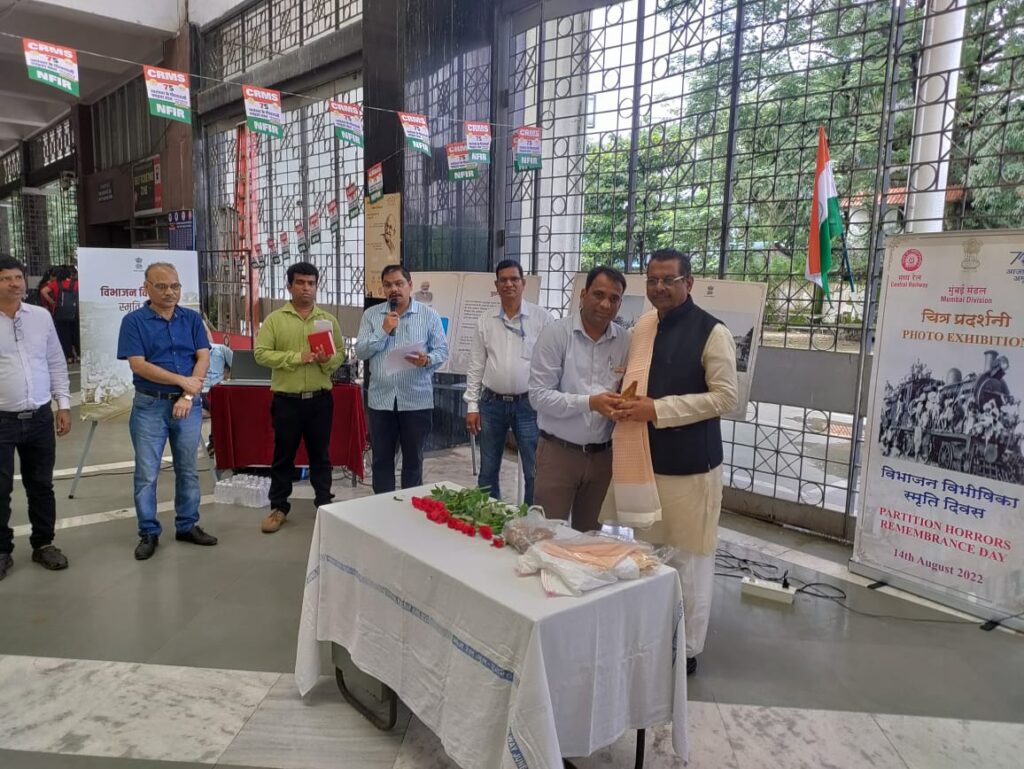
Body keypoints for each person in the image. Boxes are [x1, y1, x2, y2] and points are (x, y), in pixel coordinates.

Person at [607, 249, 737, 676]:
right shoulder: (645, 327)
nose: (659, 287)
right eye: (652, 280)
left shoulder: (712, 332)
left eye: (668, 280)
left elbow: (726, 398)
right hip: (644, 459)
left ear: (689, 283)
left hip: (691, 465)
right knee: (645, 553)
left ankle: (687, 649)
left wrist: (657, 409)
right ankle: (650, 634)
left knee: (689, 561)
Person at [117, 262, 218, 560]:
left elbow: (203, 358)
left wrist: (187, 394)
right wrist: (181, 381)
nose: (170, 292)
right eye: (161, 286)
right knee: (147, 473)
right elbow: (139, 365)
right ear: (146, 288)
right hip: (150, 405)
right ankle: (148, 531)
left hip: (188, 405)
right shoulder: (133, 322)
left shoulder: (191, 319)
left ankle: (187, 525)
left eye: (175, 286)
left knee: (188, 469)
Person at [528, 266, 630, 532]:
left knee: (590, 539)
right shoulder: (556, 334)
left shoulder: (625, 341)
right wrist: (591, 402)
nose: (605, 304)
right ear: (583, 295)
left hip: (603, 458)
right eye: (599, 295)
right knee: (547, 536)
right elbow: (539, 397)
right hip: (558, 454)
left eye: (614, 298)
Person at [255, 262, 345, 533]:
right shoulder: (275, 320)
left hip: (320, 400)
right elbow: (261, 354)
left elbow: (341, 353)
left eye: (311, 283)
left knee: (321, 455)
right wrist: (297, 357)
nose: (306, 288)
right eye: (300, 283)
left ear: (317, 286)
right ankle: (279, 507)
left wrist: (328, 361)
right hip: (287, 401)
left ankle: (324, 504)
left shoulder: (328, 320)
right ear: (289, 286)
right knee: (283, 455)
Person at [0, 255, 71, 579]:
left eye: (18, 277)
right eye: (6, 278)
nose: (14, 284)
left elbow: (55, 362)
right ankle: (2, 550)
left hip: (40, 416)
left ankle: (44, 543)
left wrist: (63, 405)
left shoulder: (40, 317)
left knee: (41, 485)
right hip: (2, 419)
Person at [355, 264, 448, 493]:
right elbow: (361, 351)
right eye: (388, 285)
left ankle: (410, 506)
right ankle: (383, 506)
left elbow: (442, 351)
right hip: (381, 401)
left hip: (416, 401)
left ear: (410, 285)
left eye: (399, 283)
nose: (393, 289)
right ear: (383, 289)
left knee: (413, 461)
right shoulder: (371, 315)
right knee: (381, 461)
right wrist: (383, 330)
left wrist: (427, 359)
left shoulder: (429, 315)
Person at [464, 260, 551, 503]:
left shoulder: (542, 319)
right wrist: (472, 406)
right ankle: (489, 516)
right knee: (488, 470)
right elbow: (476, 365)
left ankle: (531, 518)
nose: (509, 284)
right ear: (496, 285)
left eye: (514, 279)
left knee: (534, 471)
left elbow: (553, 365)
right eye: (503, 280)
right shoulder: (485, 320)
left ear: (523, 283)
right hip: (492, 404)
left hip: (529, 405)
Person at [201, 321, 233, 457]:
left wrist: (226, 379)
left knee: (219, 404)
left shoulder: (221, 349)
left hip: (216, 389)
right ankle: (214, 444)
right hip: (197, 390)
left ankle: (215, 444)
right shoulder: (190, 352)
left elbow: (237, 366)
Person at [42, 265, 79, 363]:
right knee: (76, 334)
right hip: (75, 314)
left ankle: (69, 357)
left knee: (64, 336)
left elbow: (43, 291)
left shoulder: (55, 284)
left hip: (60, 314)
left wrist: (52, 302)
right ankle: (79, 355)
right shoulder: (76, 283)